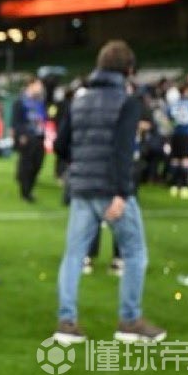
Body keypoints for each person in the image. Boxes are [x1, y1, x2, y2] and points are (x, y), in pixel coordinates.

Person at [52, 39, 166, 344]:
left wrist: (81, 163)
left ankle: (66, 323)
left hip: (82, 188)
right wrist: (121, 193)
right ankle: (129, 320)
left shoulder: (79, 100)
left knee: (74, 255)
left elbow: (60, 145)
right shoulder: (128, 102)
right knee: (135, 253)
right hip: (112, 189)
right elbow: (123, 151)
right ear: (128, 70)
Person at [12, 75, 47, 202]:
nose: (40, 88)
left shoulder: (40, 101)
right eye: (38, 85)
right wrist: (21, 135)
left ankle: (29, 187)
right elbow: (16, 121)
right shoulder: (20, 101)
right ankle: (26, 191)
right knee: (27, 164)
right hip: (27, 137)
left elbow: (43, 118)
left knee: (38, 163)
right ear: (30, 85)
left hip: (39, 136)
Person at [166, 85, 188, 199]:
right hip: (186, 134)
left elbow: (170, 118)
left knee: (175, 159)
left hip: (175, 134)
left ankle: (174, 186)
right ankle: (184, 187)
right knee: (186, 159)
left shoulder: (172, 105)